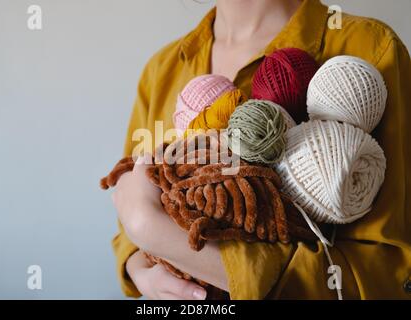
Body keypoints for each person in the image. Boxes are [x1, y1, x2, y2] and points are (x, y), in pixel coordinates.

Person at [110, 0, 411, 299]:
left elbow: (386, 273)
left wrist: (149, 227)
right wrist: (138, 268)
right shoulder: (161, 71)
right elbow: (128, 238)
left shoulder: (370, 48)